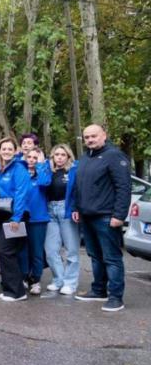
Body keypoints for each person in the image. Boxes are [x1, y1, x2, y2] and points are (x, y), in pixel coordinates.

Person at [72, 124, 131, 312]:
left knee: (111, 258)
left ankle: (116, 297)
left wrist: (119, 215)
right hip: (87, 216)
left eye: (94, 136)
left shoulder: (114, 156)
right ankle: (98, 290)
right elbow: (80, 185)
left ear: (104, 135)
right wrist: (76, 207)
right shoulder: (85, 158)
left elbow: (123, 187)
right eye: (87, 137)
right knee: (95, 256)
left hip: (106, 217)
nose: (90, 140)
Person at [0, 137, 31, 302]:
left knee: (7, 251)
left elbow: (21, 193)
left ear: (15, 150)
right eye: (3, 148)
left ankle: (17, 292)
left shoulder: (19, 168)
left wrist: (16, 217)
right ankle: (11, 287)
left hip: (15, 217)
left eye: (9, 148)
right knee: (4, 252)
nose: (6, 151)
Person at [44, 144, 79, 295]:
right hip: (50, 210)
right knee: (51, 250)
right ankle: (58, 279)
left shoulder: (73, 171)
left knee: (71, 249)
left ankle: (70, 283)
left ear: (68, 157)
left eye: (63, 155)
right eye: (56, 154)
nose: (59, 157)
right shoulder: (48, 171)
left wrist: (76, 208)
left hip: (67, 209)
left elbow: (78, 191)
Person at [23, 148, 51, 295]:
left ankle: (36, 280)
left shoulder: (43, 173)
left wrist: (41, 165)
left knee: (37, 252)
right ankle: (24, 277)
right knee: (22, 250)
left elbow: (44, 183)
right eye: (29, 157)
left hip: (38, 219)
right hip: (21, 218)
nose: (32, 160)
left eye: (35, 157)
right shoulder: (21, 174)